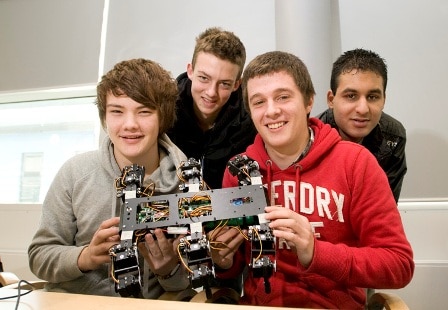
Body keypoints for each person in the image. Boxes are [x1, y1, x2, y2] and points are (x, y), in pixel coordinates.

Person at [211, 51, 414, 309]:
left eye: (283, 97)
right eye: (259, 102)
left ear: (309, 101)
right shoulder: (238, 170)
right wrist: (223, 260)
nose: (271, 111)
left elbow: (398, 264)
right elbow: (231, 268)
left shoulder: (356, 164)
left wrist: (315, 252)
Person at [28, 58, 190, 298]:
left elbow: (185, 284)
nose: (130, 124)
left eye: (144, 112)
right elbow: (39, 257)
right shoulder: (75, 173)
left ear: (163, 117)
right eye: (117, 111)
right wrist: (87, 256)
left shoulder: (187, 183)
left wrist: (168, 269)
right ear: (104, 117)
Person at [167, 27, 257, 190]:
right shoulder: (164, 111)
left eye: (224, 84)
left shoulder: (253, 120)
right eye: (204, 78)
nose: (211, 92)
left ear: (237, 84)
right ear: (190, 71)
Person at [317, 48, 407, 203]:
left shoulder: (393, 136)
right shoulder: (311, 136)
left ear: (384, 100)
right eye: (351, 96)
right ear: (331, 100)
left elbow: (385, 210)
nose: (363, 109)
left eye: (372, 97)